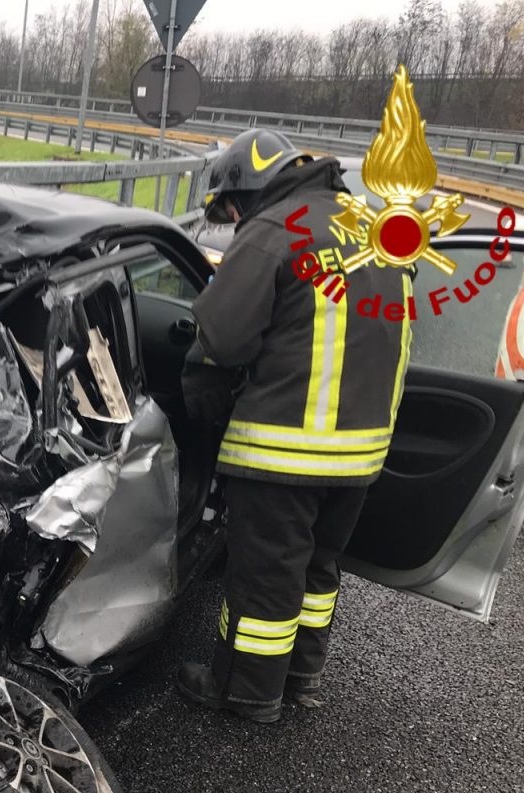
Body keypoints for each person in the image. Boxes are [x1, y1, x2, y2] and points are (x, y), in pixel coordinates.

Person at [176, 129, 413, 724]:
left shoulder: (272, 231)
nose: (232, 221)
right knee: (316, 570)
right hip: (359, 453)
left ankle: (246, 690)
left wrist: (200, 377)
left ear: (243, 193)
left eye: (229, 212)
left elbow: (224, 337)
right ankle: (302, 677)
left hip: (285, 448)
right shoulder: (367, 226)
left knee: (265, 577)